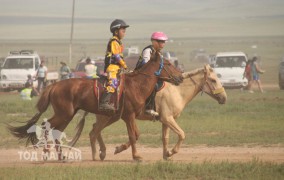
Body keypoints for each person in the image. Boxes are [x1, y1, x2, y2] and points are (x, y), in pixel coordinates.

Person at [135, 31, 168, 116]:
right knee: (154, 86)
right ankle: (149, 108)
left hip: (151, 76)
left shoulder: (159, 53)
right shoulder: (148, 50)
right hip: (141, 76)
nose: (163, 44)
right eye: (161, 41)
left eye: (164, 42)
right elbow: (145, 64)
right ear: (154, 42)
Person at [99, 19, 129, 111]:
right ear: (116, 31)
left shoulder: (119, 42)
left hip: (117, 68)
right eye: (122, 31)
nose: (124, 33)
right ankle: (103, 103)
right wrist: (124, 65)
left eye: (125, 31)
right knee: (114, 83)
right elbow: (116, 56)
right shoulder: (114, 42)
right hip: (112, 68)